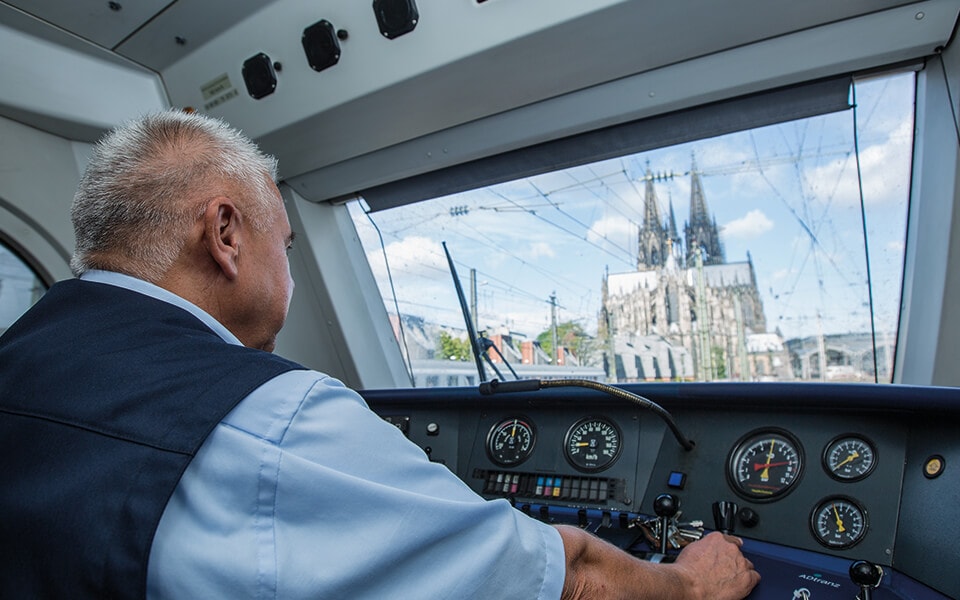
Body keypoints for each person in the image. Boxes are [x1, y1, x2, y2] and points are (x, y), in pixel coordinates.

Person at [0, 110, 759, 599]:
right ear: (226, 236)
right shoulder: (273, 419)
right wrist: (690, 585)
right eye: (288, 247)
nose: (292, 277)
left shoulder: (15, 362)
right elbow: (568, 578)